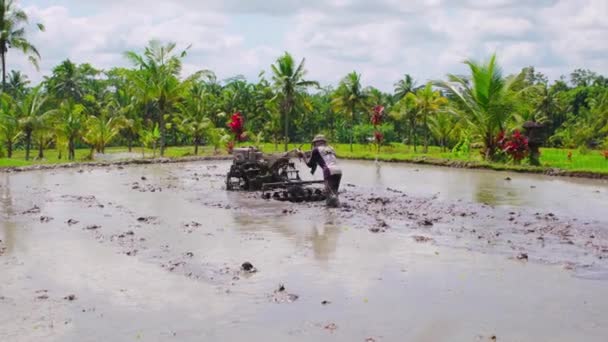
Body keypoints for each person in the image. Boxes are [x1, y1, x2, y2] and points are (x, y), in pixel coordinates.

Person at [298, 134, 342, 207]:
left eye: (315, 143)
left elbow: (310, 164)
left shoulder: (316, 150)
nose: (314, 144)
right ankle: (335, 207)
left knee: (329, 194)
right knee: (334, 192)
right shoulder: (331, 148)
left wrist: (303, 155)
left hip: (328, 171)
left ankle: (332, 211)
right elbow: (323, 154)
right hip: (338, 171)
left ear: (317, 142)